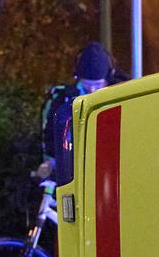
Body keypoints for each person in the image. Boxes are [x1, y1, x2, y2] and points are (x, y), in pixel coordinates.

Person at [39, 41, 122, 185]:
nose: (91, 90)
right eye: (87, 84)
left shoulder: (120, 96)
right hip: (71, 170)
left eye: (97, 85)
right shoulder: (62, 98)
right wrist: (50, 161)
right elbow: (49, 132)